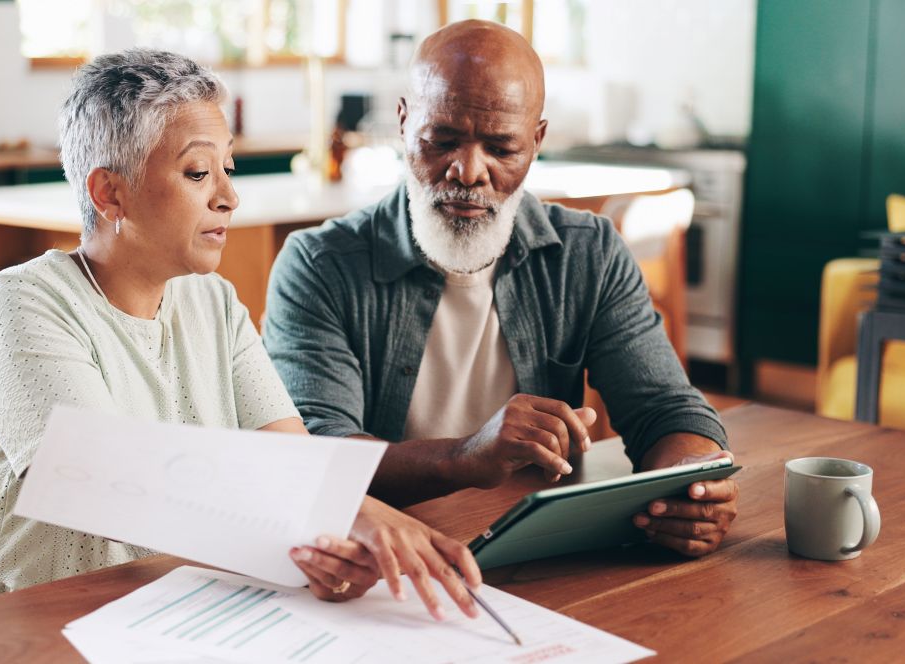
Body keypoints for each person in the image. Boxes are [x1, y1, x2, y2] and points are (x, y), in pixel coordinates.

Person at [0, 49, 481, 620]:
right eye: (198, 173)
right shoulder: (18, 303)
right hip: (11, 617)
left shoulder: (213, 301)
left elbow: (287, 459)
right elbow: (97, 476)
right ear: (109, 193)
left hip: (164, 606)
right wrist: (342, 506)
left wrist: (318, 544)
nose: (228, 196)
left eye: (228, 168)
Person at [263, 20, 738, 558]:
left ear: (536, 141)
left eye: (502, 148)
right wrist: (466, 456)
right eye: (441, 141)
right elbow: (317, 457)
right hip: (383, 559)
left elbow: (664, 410)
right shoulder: (319, 265)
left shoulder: (588, 253)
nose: (468, 172)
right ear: (403, 122)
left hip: (542, 553)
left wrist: (692, 485)